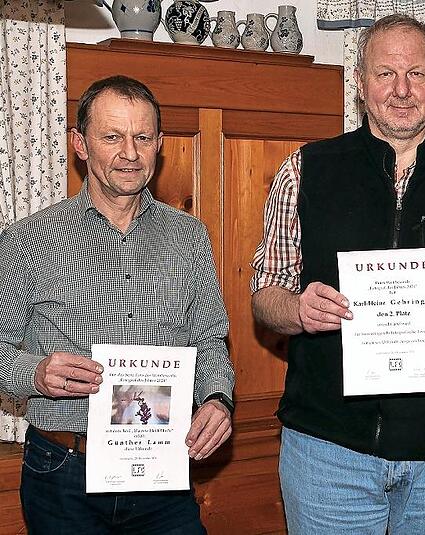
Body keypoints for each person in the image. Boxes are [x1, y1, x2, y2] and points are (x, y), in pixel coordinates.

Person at [250, 14, 425, 534]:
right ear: (361, 83)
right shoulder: (306, 169)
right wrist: (299, 310)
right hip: (328, 450)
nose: (402, 90)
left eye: (416, 74)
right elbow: (265, 293)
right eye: (386, 74)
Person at [0, 75, 235, 534]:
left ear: (158, 145)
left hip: (163, 472)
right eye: (112, 137)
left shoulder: (189, 237)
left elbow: (210, 339)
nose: (130, 153)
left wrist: (217, 398)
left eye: (142, 138)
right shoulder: (27, 241)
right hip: (64, 473)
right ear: (80, 144)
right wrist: (34, 373)